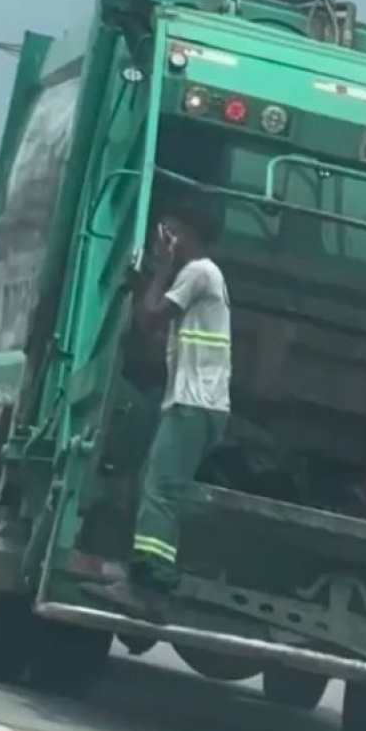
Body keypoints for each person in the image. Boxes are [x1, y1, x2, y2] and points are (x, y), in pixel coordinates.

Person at [125, 198, 231, 608]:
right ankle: (150, 575)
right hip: (196, 403)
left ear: (184, 235)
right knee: (158, 484)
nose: (159, 240)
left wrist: (161, 268)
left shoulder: (197, 273)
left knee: (161, 490)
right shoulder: (203, 277)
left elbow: (150, 318)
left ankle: (153, 581)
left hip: (194, 403)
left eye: (166, 233)